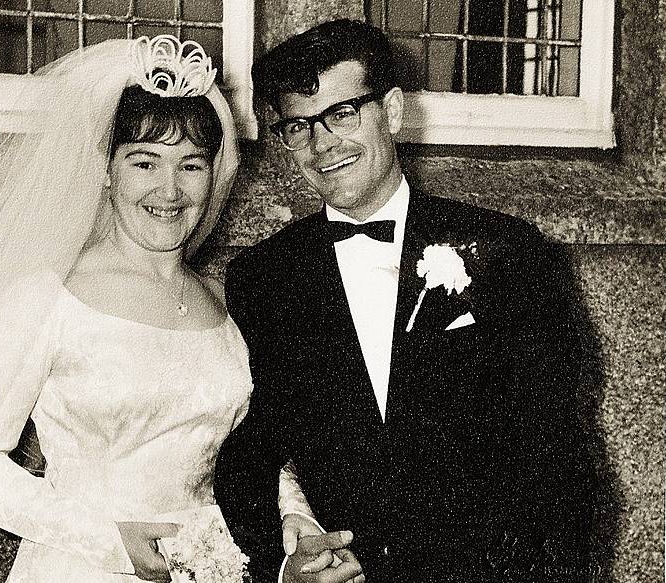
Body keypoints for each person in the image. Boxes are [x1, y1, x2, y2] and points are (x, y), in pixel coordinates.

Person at [0, 35, 271, 582]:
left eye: (191, 165)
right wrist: (106, 538)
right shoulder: (46, 298)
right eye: (144, 163)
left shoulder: (220, 306)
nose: (170, 190)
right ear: (106, 170)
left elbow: (243, 455)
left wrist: (294, 519)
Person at [214, 19, 597, 583]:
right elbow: (253, 451)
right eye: (298, 127)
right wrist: (281, 565)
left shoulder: (507, 254)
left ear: (392, 112)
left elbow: (559, 455)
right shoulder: (263, 278)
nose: (322, 146)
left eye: (343, 115)